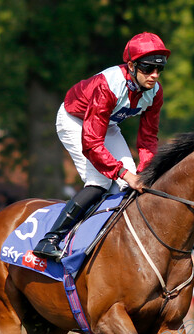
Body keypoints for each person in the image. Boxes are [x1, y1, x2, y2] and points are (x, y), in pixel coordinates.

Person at [33, 32, 169, 260]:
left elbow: (148, 139)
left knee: (131, 184)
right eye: (147, 68)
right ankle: (50, 239)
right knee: (101, 181)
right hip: (75, 121)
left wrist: (145, 172)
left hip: (107, 125)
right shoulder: (107, 85)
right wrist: (123, 173)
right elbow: (91, 142)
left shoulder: (155, 93)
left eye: (159, 69)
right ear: (131, 65)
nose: (154, 76)